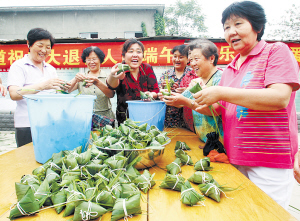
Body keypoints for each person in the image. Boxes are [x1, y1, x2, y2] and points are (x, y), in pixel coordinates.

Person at [192, 1, 300, 209]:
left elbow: (279, 97)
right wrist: (191, 100)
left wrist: (220, 92)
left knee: (267, 214)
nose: (232, 31)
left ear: (257, 27)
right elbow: (217, 109)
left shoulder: (276, 51)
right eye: (226, 27)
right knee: (243, 212)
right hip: (235, 157)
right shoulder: (232, 67)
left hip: (269, 159)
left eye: (238, 24)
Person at [7, 28, 69, 147]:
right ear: (28, 44)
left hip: (49, 122)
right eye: (40, 45)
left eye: (48, 47)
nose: (44, 50)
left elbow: (58, 93)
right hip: (27, 124)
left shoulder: (50, 69)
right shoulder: (19, 66)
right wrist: (42, 86)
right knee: (27, 161)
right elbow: (14, 94)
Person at [159, 39, 223, 143]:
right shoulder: (196, 81)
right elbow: (181, 101)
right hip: (202, 138)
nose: (192, 64)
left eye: (196, 59)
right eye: (191, 60)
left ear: (211, 58)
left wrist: (185, 102)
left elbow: (215, 111)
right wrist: (169, 96)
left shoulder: (221, 78)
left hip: (219, 142)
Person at [106, 38, 159, 125]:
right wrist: (113, 76)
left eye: (139, 52)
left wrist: (151, 95)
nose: (135, 55)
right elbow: (111, 86)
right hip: (125, 119)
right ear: (123, 56)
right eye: (131, 51)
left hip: (147, 117)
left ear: (142, 56)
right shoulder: (120, 68)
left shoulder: (147, 68)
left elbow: (156, 90)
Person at [68, 46, 115, 128]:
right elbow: (66, 91)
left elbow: (111, 94)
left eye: (94, 59)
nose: (91, 62)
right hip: (86, 118)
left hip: (105, 119)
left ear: (100, 59)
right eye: (88, 59)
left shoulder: (107, 77)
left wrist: (97, 82)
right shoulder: (82, 78)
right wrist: (75, 79)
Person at [158, 44, 194, 128]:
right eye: (175, 56)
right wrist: (163, 89)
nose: (177, 59)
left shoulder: (192, 74)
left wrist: (187, 91)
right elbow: (158, 92)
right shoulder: (166, 74)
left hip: (187, 119)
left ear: (188, 59)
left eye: (181, 57)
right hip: (168, 118)